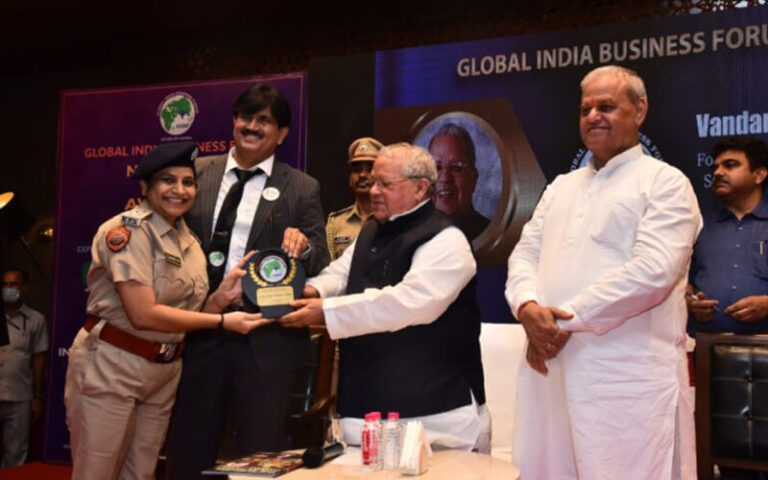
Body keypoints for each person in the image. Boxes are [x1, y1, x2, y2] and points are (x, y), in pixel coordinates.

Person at [505, 65, 700, 480]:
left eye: (607, 106)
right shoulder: (560, 186)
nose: (594, 116)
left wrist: (559, 321)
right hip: (550, 369)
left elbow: (653, 273)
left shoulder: (666, 183)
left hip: (625, 380)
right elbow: (525, 253)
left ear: (640, 110)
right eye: (586, 108)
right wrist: (526, 306)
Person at [64, 142, 268, 480]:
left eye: (188, 182)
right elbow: (143, 314)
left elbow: (185, 312)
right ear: (146, 187)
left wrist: (220, 298)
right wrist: (221, 320)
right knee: (97, 472)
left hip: (163, 372)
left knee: (141, 473)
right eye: (167, 181)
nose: (179, 190)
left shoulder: (188, 240)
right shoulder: (128, 231)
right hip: (114, 364)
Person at [166, 84, 329, 480]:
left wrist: (303, 247)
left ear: (282, 134)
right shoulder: (196, 174)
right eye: (245, 117)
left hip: (266, 340)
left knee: (258, 457)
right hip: (201, 331)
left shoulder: (302, 187)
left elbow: (321, 256)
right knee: (188, 448)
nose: (251, 127)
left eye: (264, 121)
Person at [279, 143, 488, 451]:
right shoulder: (372, 229)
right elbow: (341, 273)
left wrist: (326, 311)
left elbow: (407, 303)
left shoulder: (447, 239)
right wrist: (312, 289)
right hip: (365, 406)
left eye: (385, 184)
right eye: (374, 181)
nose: (373, 190)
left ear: (420, 189)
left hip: (434, 415)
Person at [688, 137, 768, 334]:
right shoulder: (698, 224)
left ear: (759, 174)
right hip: (708, 348)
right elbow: (682, 282)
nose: (718, 173)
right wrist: (690, 303)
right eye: (715, 167)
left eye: (730, 165)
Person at [0, 269, 48, 468]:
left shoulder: (36, 319)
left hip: (19, 397)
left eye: (14, 284)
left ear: (24, 288)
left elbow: (38, 359)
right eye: (5, 284)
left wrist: (37, 396)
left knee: (16, 453)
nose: (8, 289)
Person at [428, 123, 489, 239]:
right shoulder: (413, 235)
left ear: (474, 178)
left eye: (456, 167)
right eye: (437, 168)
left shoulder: (487, 232)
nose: (445, 178)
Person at [325, 137, 383, 260]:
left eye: (370, 169)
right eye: (357, 170)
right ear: (350, 179)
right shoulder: (336, 223)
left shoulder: (391, 220)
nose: (362, 175)